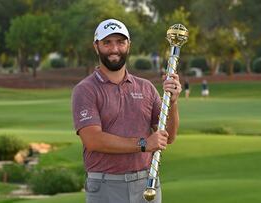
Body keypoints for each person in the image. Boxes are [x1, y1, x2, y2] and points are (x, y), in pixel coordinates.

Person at [71, 19, 181, 203]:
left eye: (120, 42)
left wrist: (174, 103)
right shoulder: (86, 89)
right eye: (107, 42)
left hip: (147, 184)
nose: (114, 49)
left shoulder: (146, 87)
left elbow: (168, 137)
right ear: (96, 46)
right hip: (105, 185)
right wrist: (144, 144)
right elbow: (93, 140)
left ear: (128, 45)